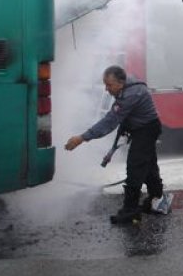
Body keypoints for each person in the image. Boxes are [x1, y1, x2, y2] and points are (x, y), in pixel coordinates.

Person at [65, 65, 172, 224]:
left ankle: (130, 211)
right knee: (148, 165)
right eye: (105, 84)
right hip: (143, 127)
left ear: (121, 83)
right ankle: (156, 198)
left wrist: (82, 138)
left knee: (135, 166)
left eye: (109, 85)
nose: (106, 89)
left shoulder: (130, 94)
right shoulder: (125, 85)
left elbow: (109, 122)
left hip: (147, 129)